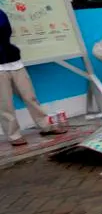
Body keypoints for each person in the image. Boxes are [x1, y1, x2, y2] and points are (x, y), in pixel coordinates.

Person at [0, 9, 66, 145]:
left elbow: (6, 31)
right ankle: (14, 135)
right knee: (5, 103)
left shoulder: (1, 13)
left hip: (14, 61)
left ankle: (46, 126)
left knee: (30, 97)